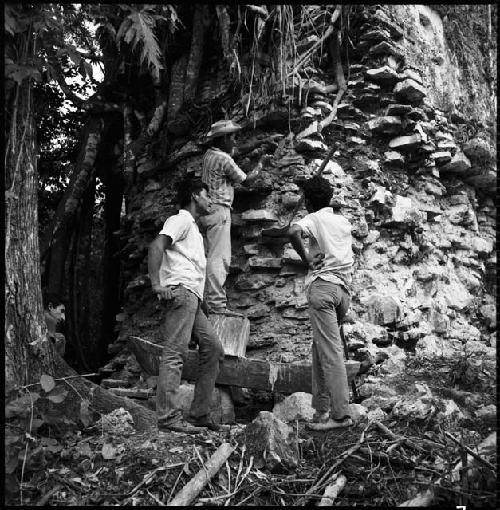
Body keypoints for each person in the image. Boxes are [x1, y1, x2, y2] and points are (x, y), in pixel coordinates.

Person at [148, 177, 225, 434]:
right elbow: (156, 245)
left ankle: (199, 413)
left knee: (213, 347)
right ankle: (168, 417)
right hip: (180, 293)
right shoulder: (180, 219)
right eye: (207, 195)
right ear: (194, 196)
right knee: (175, 352)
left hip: (193, 298)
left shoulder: (193, 228)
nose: (210, 200)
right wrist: (157, 285)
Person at [287, 175, 354, 431]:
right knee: (321, 347)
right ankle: (321, 409)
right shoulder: (342, 220)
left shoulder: (313, 218)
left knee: (331, 351)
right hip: (342, 293)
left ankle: (341, 415)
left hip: (323, 288)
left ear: (308, 203)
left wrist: (305, 258)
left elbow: (292, 230)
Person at [201, 119, 270, 316]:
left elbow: (237, 152)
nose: (234, 141)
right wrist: (261, 164)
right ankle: (216, 304)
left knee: (208, 256)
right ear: (222, 139)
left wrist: (259, 143)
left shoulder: (210, 155)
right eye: (231, 137)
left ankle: (207, 301)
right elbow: (247, 181)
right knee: (219, 258)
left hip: (207, 211)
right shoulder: (223, 159)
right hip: (220, 210)